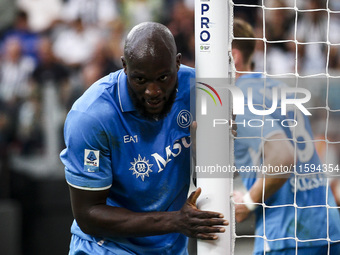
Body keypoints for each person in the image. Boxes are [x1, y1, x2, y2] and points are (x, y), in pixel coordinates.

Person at [60, 21, 228, 254]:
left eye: (163, 78)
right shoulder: (91, 117)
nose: (153, 91)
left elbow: (218, 178)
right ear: (124, 67)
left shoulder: (202, 91)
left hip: (167, 247)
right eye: (141, 80)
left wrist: (211, 149)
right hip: (105, 247)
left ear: (178, 63)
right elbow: (89, 215)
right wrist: (175, 221)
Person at [232, 18, 340, 255]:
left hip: (286, 236)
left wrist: (247, 202)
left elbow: (282, 159)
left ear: (234, 56)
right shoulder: (279, 89)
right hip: (328, 227)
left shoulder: (240, 99)